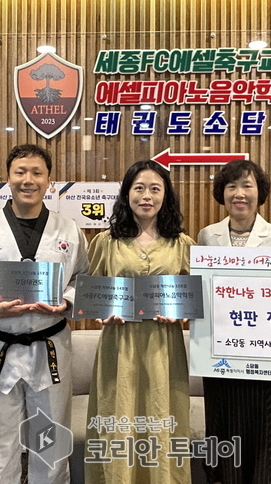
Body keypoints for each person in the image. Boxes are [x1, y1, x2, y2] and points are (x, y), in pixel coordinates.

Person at [0, 144, 88, 484]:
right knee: (1, 437)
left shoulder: (69, 230)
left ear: (49, 181)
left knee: (50, 438)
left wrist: (66, 303)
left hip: (50, 345)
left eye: (37, 173)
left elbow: (84, 279)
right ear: (7, 178)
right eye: (20, 172)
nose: (28, 180)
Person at [85, 160, 195, 484]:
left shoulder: (183, 244)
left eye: (155, 189)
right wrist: (100, 312)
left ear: (166, 196)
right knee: (117, 416)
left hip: (165, 345)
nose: (147, 196)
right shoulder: (106, 242)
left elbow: (194, 296)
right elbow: (93, 291)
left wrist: (183, 313)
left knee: (164, 416)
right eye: (139, 188)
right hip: (119, 345)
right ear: (126, 194)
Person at [197, 159, 271, 484]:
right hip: (222, 355)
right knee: (224, 432)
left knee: (267, 437)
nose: (239, 193)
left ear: (260, 192)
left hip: (268, 357)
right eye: (231, 186)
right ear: (222, 193)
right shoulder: (207, 235)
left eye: (247, 186)